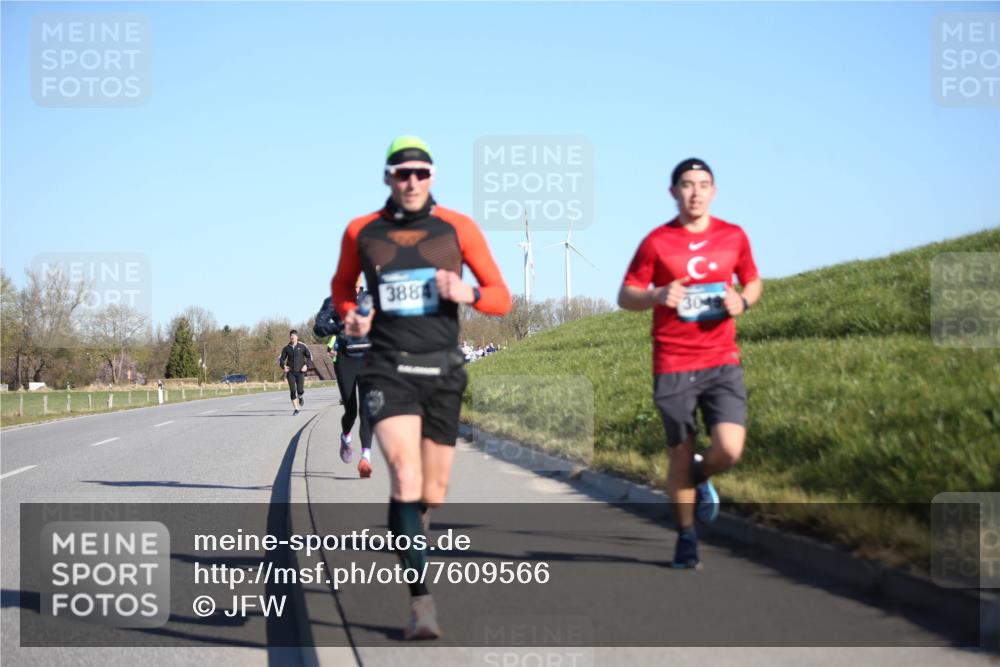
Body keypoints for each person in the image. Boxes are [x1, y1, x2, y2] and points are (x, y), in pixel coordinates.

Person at [331, 135, 511, 639]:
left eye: (420, 173)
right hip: (388, 368)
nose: (411, 181)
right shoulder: (361, 231)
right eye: (401, 172)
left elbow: (501, 297)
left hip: (443, 371)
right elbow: (342, 288)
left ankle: (410, 524)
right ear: (388, 178)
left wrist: (468, 291)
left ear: (432, 177)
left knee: (432, 491)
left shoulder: (456, 228)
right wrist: (353, 317)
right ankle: (421, 602)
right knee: (406, 480)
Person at [617, 158, 762, 570]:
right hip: (673, 360)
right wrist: (656, 295)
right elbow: (626, 295)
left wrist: (744, 300)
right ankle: (686, 539)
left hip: (721, 359)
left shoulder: (733, 236)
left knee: (730, 449)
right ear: (673, 192)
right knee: (679, 452)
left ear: (714, 191)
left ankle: (699, 476)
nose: (695, 192)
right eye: (687, 184)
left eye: (703, 184)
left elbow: (752, 279)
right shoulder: (657, 242)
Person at [330, 281, 375, 478]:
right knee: (351, 411)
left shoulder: (371, 299)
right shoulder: (335, 300)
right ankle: (345, 437)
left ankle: (366, 457)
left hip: (368, 359)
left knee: (367, 411)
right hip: (346, 360)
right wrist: (340, 324)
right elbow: (320, 325)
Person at [278, 330, 312, 416]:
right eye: (291, 336)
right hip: (291, 372)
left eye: (294, 336)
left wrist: (306, 366)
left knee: (300, 390)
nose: (292, 337)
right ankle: (296, 409)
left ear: (297, 337)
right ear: (290, 337)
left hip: (300, 372)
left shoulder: (303, 346)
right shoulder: (286, 348)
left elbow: (309, 357)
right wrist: (283, 366)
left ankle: (300, 397)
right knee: (293, 391)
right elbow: (281, 359)